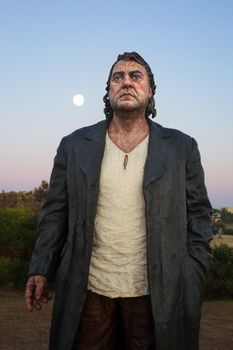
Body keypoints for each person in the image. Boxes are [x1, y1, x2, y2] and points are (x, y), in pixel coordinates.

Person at [24, 51, 213, 350]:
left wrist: (192, 273)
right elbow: (54, 214)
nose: (126, 82)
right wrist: (40, 266)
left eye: (136, 76)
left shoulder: (181, 147)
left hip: (156, 294)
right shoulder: (73, 146)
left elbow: (200, 216)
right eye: (118, 77)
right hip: (89, 292)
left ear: (149, 91)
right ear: (108, 91)